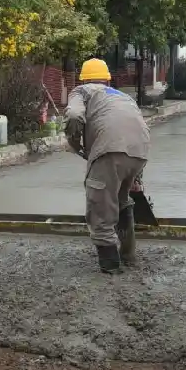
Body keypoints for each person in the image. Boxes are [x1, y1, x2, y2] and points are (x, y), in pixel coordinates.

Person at [64, 58, 150, 274]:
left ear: (82, 78)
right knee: (121, 200)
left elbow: (74, 115)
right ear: (107, 80)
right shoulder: (122, 96)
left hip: (110, 150)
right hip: (140, 150)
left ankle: (111, 266)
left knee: (99, 206)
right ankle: (129, 256)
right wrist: (137, 175)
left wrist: (75, 145)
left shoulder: (82, 91)